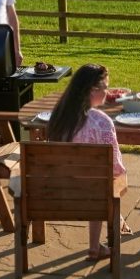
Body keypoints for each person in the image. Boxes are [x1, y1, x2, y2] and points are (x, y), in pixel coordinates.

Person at [44, 63, 131, 260]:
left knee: (94, 180)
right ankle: (96, 243)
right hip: (92, 197)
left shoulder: (57, 118)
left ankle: (96, 246)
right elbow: (116, 168)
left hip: (54, 194)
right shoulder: (101, 122)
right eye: (105, 87)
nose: (107, 92)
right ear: (92, 90)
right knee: (102, 182)